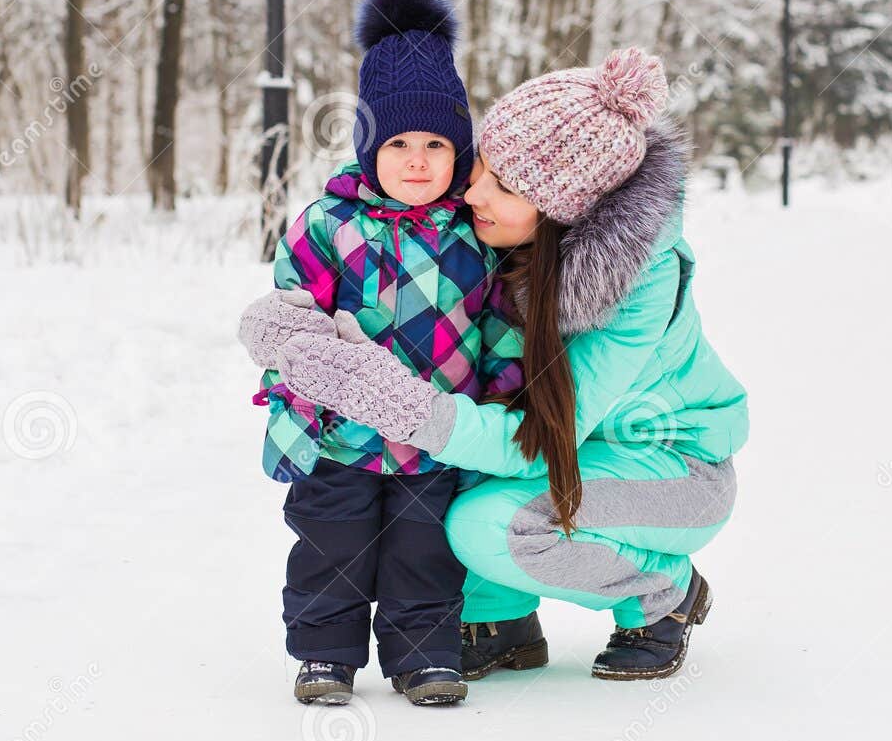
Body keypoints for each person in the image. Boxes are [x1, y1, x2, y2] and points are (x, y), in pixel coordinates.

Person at [258, 47, 748, 682]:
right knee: (453, 476)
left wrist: (404, 405)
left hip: (672, 467)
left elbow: (535, 442)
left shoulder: (637, 288)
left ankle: (663, 594)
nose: (470, 189)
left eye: (504, 186)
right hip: (583, 458)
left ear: (562, 209)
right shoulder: (503, 235)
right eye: (482, 165)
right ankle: (500, 620)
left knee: (487, 523)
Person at [240, 0, 521, 707]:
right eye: (399, 143)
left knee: (423, 553)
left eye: (436, 142)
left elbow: (500, 325)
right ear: (369, 147)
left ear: (460, 150)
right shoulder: (328, 225)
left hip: (433, 433)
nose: (419, 160)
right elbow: (292, 319)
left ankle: (424, 655)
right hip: (339, 436)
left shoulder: (475, 233)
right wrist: (302, 391)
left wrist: (503, 392)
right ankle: (325, 655)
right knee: (330, 547)